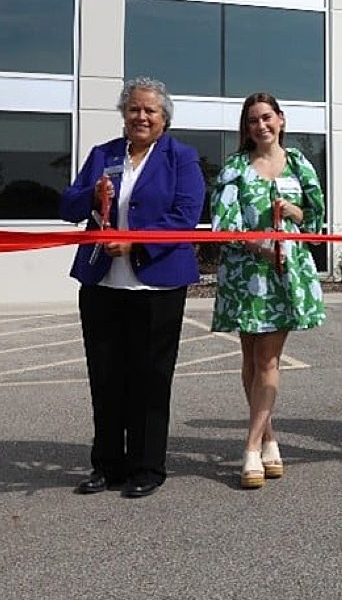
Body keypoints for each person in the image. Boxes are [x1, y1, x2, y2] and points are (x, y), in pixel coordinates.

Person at [61, 78, 204, 499]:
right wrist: (91, 195)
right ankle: (107, 465)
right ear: (124, 114)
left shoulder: (181, 157)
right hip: (102, 283)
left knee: (151, 378)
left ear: (164, 118)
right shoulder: (103, 154)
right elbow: (68, 205)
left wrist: (136, 242)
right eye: (134, 109)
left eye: (150, 111)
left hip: (157, 285)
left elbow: (185, 216)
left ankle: (147, 466)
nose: (141, 116)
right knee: (106, 377)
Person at [211, 93, 326, 488]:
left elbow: (315, 219)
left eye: (266, 117)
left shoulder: (299, 164)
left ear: (281, 119)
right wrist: (255, 243)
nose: (260, 126)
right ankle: (270, 439)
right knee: (250, 358)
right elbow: (222, 222)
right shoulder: (235, 167)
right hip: (245, 274)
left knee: (268, 360)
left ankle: (249, 449)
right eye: (252, 120)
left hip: (285, 274)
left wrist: (294, 212)